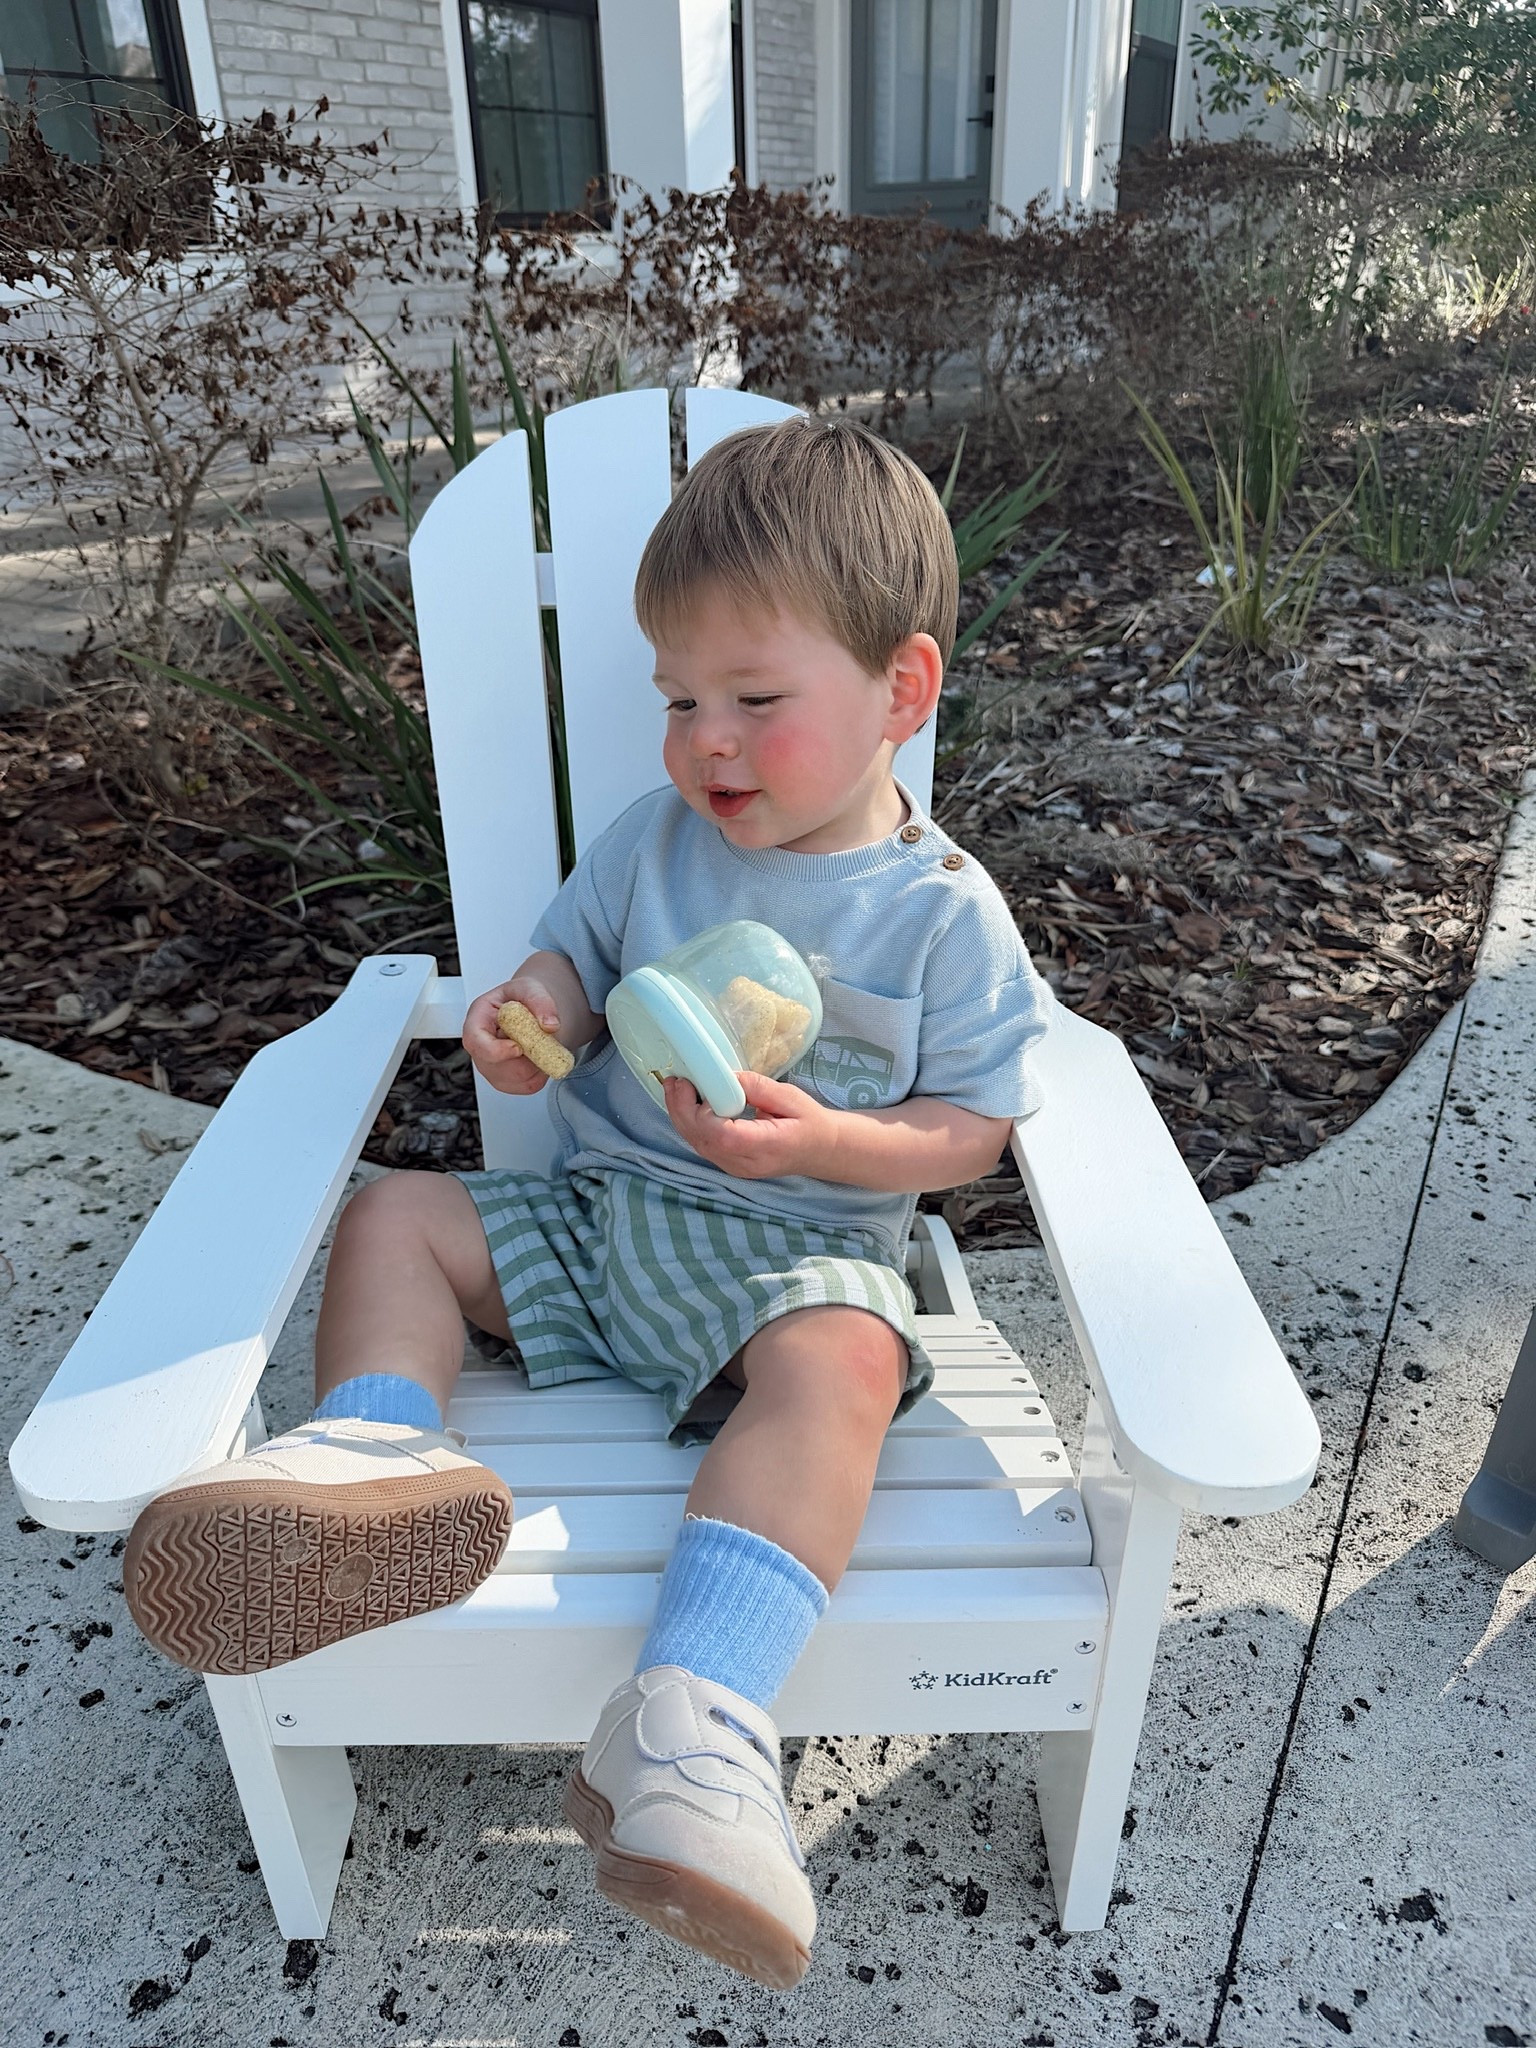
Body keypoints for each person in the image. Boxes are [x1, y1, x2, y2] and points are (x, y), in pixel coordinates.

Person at [122, 416, 1053, 1988]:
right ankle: (375, 1457)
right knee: (398, 1216)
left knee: (851, 1358)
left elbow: (972, 1131)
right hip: (601, 1218)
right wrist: (529, 1013)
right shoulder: (652, 845)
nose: (707, 743)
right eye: (680, 701)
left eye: (755, 700)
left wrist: (830, 1142)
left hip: (788, 1269)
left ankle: (690, 1725)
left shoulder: (942, 917)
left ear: (902, 691)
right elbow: (569, 962)